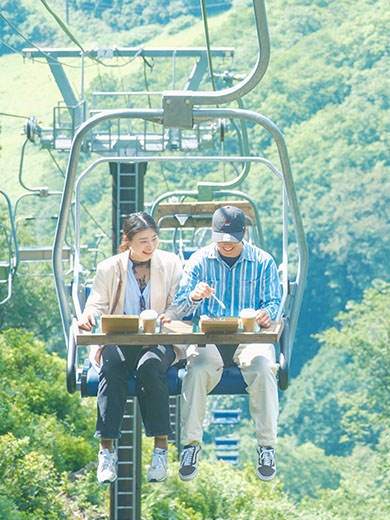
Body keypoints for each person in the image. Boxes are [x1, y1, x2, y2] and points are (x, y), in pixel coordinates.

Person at [171, 205, 282, 482]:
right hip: (210, 336)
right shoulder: (199, 261)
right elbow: (178, 308)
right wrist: (195, 297)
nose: (226, 246)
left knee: (264, 367)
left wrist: (266, 314)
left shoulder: (263, 261)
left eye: (232, 241)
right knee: (196, 372)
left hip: (248, 336)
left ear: (243, 235)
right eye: (221, 240)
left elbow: (273, 302)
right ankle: (191, 445)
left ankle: (266, 446)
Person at [78, 212, 183, 484]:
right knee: (111, 369)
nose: (150, 246)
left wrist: (167, 316)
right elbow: (96, 304)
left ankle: (160, 449)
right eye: (143, 241)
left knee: (150, 368)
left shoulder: (170, 264)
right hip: (120, 338)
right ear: (128, 242)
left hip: (158, 338)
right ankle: (106, 451)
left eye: (154, 239)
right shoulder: (109, 268)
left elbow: (177, 303)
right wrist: (89, 317)